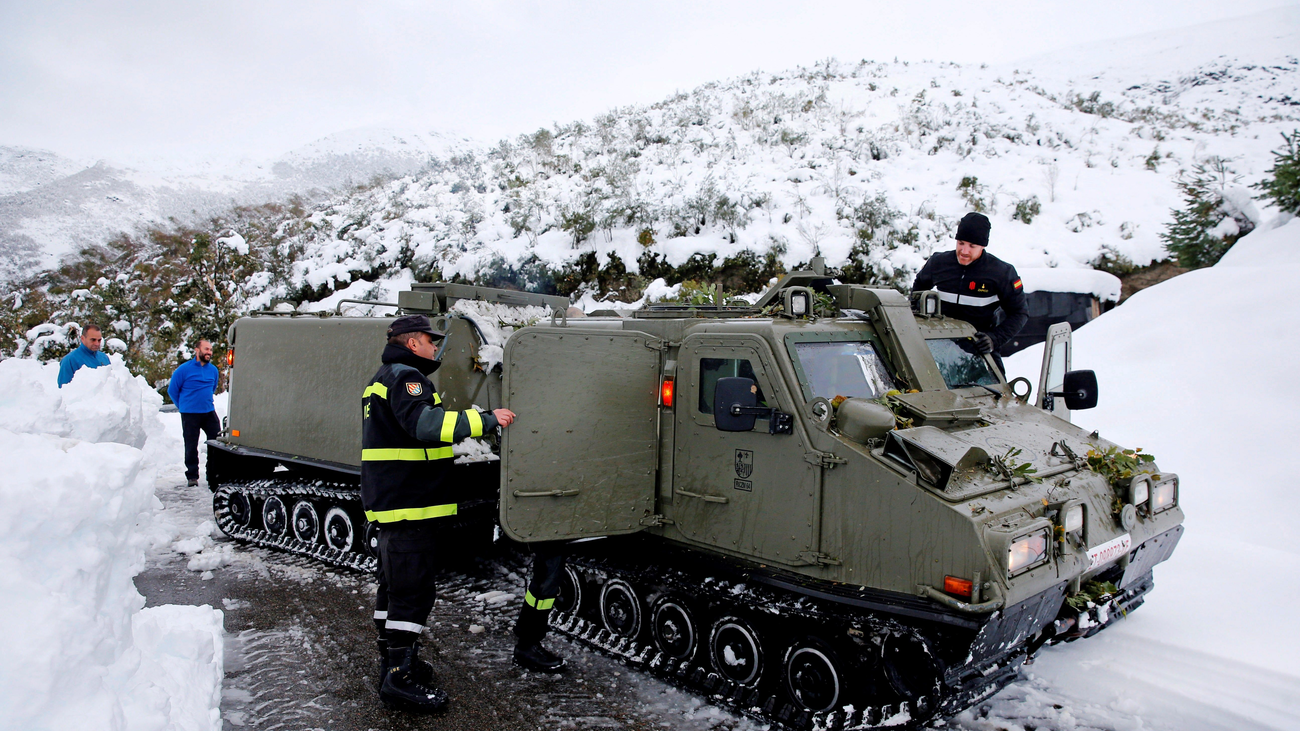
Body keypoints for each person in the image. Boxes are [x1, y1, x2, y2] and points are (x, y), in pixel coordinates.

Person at [363, 314, 529, 714]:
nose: (436, 348)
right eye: (431, 341)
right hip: (410, 506)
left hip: (396, 504)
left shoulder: (383, 377)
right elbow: (426, 424)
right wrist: (486, 419)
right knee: (413, 592)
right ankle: (398, 679)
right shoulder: (406, 378)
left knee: (393, 588)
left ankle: (394, 659)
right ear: (413, 342)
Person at [912, 212, 1028, 375]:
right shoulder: (939, 263)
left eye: (972, 246)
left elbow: (1020, 313)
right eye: (961, 243)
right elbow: (918, 289)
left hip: (978, 349)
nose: (964, 251)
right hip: (938, 347)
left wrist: (994, 339)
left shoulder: (1002, 273)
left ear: (983, 246)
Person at [168, 339, 221, 487]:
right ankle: (192, 476)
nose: (209, 352)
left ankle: (214, 475)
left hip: (208, 412)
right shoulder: (183, 370)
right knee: (191, 445)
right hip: (190, 414)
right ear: (197, 350)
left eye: (210, 349)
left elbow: (213, 387)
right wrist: (183, 406)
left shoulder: (213, 370)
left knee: (216, 444)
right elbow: (172, 390)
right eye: (206, 349)